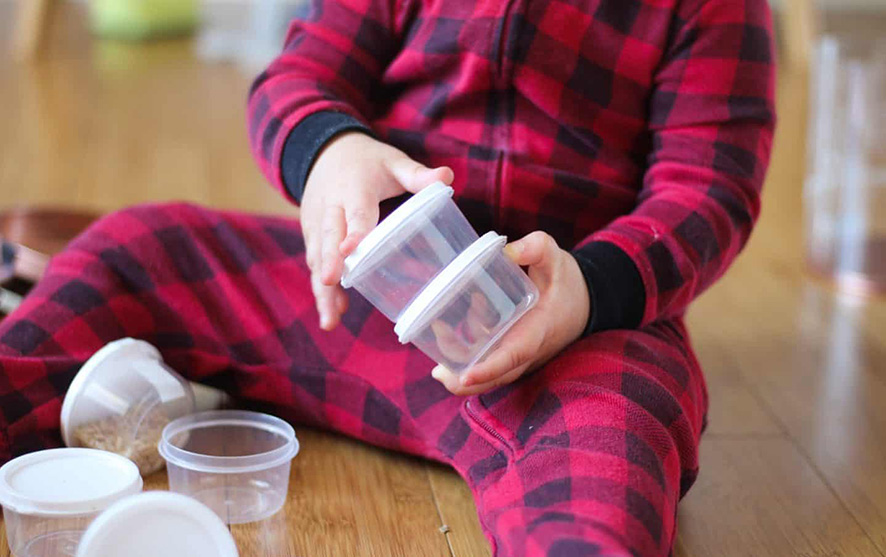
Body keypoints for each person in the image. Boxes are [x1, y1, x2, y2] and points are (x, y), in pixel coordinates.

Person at [0, 0, 775, 554]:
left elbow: (709, 192)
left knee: (615, 440)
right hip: (367, 302)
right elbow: (293, 80)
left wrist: (590, 288)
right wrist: (330, 153)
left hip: (565, 333)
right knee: (143, 244)